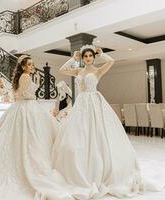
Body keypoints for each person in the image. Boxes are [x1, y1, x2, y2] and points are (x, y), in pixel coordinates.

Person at [0, 55, 73, 200]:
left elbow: (20, 94)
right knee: (31, 137)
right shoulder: (25, 77)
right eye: (29, 64)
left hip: (26, 107)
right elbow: (23, 94)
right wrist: (34, 96)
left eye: (32, 64)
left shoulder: (26, 76)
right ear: (23, 66)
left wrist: (36, 86)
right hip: (27, 107)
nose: (32, 66)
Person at [52, 45, 143, 199]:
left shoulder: (97, 70)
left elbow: (111, 62)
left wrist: (103, 55)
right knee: (80, 135)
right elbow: (62, 70)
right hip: (81, 103)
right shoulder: (78, 71)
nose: (88, 58)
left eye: (90, 56)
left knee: (98, 133)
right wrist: (73, 58)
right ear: (83, 58)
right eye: (85, 56)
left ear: (93, 57)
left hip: (94, 102)